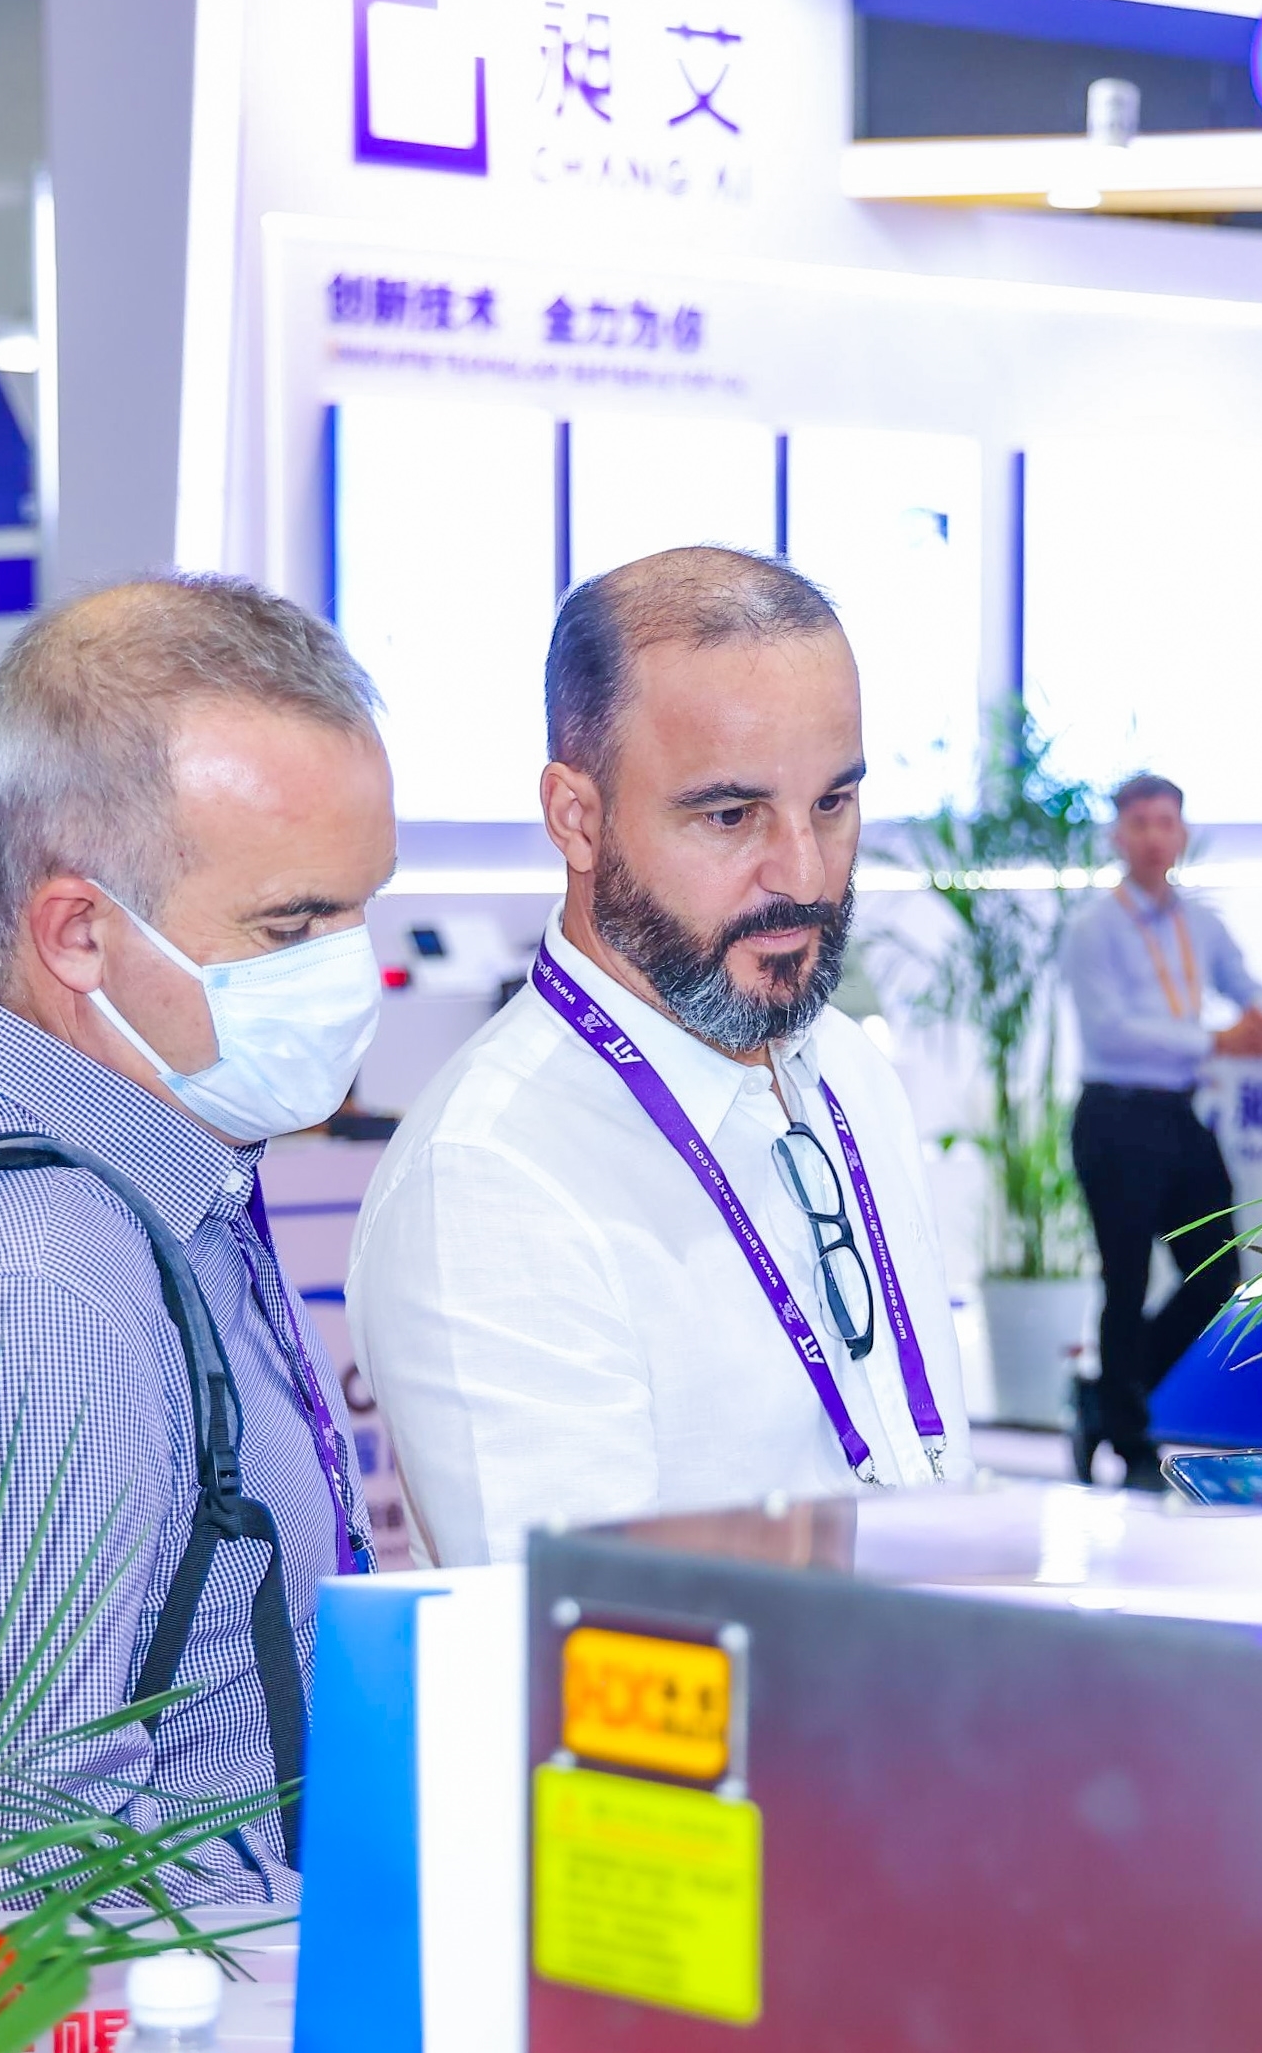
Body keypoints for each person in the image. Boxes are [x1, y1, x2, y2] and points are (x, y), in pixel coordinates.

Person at [0, 578, 394, 1912]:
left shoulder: (162, 1172)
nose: (350, 973)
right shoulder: (45, 1285)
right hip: (179, 2027)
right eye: (292, 927)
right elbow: (8, 1862)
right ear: (78, 933)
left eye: (362, 907)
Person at [348, 547, 966, 1564]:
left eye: (832, 803)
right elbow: (583, 1634)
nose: (803, 874)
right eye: (730, 816)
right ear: (576, 818)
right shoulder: (490, 1179)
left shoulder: (848, 1072)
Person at [1060, 772, 1262, 1487]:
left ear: (1182, 833)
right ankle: (1127, 1442)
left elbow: (1245, 983)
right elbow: (1111, 1031)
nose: (1155, 836)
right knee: (1124, 1280)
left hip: (1183, 1114)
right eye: (1141, 823)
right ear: (1118, 836)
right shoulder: (1094, 928)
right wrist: (1216, 1039)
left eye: (1166, 822)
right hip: (1116, 1114)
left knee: (1218, 1274)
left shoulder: (1200, 923)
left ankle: (1107, 1399)